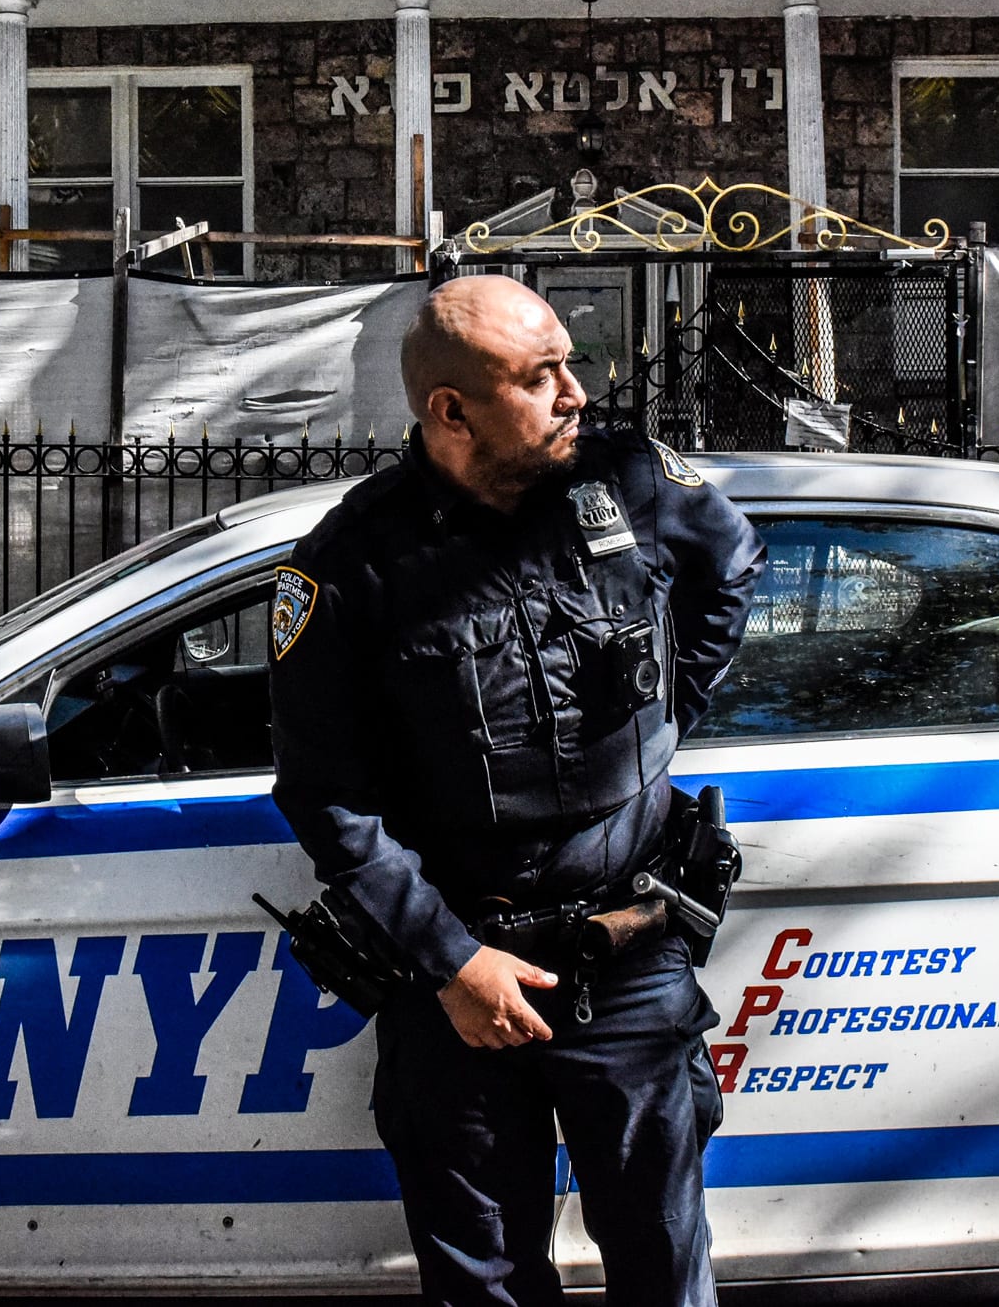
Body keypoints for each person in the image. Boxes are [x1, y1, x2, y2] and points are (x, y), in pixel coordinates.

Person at [270, 275, 767, 1307]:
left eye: (567, 365)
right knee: (482, 1283)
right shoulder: (353, 565)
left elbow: (730, 564)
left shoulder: (627, 484)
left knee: (666, 1270)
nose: (574, 392)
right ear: (450, 411)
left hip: (625, 955)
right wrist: (453, 964)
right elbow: (326, 798)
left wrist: (662, 724)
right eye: (538, 377)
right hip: (455, 984)